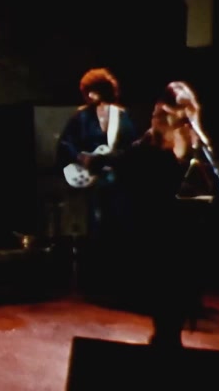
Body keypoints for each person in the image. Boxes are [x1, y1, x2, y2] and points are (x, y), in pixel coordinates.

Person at [78, 81, 212, 347]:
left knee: (179, 299)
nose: (160, 116)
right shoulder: (150, 142)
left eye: (169, 111)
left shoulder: (196, 146)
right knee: (164, 303)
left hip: (187, 233)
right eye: (159, 112)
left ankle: (168, 344)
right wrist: (92, 160)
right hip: (156, 231)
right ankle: (164, 345)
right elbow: (123, 160)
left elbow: (206, 187)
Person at [55, 67, 138, 292]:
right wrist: (80, 157)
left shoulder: (122, 116)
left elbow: (132, 147)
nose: (91, 95)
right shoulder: (81, 117)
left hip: (117, 177)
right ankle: (94, 280)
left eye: (95, 90)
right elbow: (64, 144)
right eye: (88, 91)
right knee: (95, 225)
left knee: (119, 222)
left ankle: (117, 279)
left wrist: (115, 158)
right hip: (93, 179)